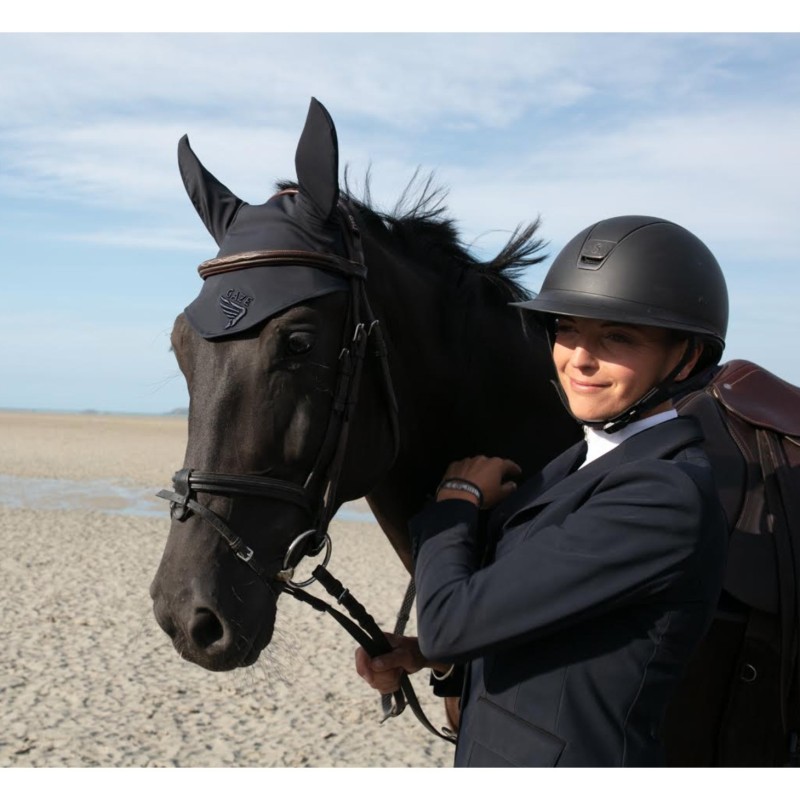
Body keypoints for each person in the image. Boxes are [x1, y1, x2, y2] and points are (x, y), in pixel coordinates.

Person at [355, 215, 730, 767]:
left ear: (688, 357)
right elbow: (542, 622)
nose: (580, 357)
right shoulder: (581, 459)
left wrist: (455, 500)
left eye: (617, 337)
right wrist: (426, 657)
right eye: (568, 329)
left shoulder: (664, 493)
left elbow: (452, 621)